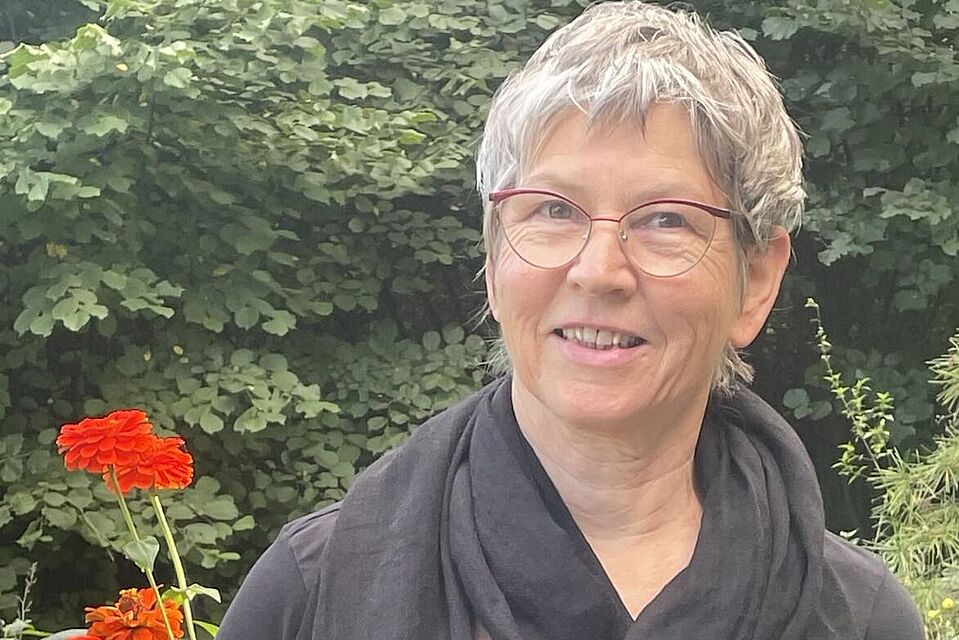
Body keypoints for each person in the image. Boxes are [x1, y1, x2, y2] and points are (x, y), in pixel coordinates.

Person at [217, 2, 925, 639]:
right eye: (553, 210)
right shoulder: (309, 594)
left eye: (666, 219)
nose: (597, 270)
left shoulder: (855, 618)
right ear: (494, 257)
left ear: (756, 281)